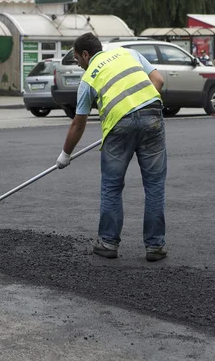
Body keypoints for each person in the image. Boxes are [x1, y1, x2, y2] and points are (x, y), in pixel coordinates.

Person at [55, 32, 167, 262]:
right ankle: (155, 246)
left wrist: (65, 154)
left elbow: (78, 124)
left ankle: (108, 243)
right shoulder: (129, 53)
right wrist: (140, 108)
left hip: (119, 127)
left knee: (112, 186)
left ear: (86, 55)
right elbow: (159, 81)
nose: (78, 65)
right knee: (154, 185)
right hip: (152, 116)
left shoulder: (88, 80)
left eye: (77, 60)